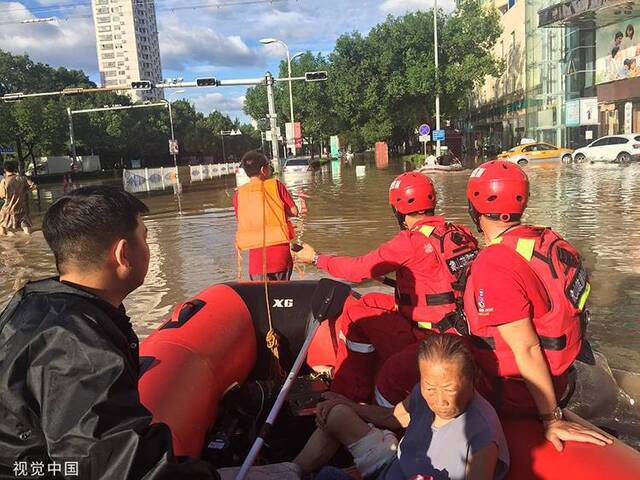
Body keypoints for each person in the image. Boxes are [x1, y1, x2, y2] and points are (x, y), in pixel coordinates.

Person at [0, 186, 218, 479]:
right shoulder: (79, 346)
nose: (148, 248)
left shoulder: (29, 304)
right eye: (144, 237)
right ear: (124, 253)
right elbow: (112, 467)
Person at [464, 160, 613, 451]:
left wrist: (551, 418)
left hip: (512, 393)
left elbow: (527, 347)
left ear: (474, 207)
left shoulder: (492, 264)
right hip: (563, 377)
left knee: (417, 372)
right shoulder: (543, 239)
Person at [294, 172, 478, 403]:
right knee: (363, 304)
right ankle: (351, 376)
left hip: (430, 334)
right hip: (459, 327)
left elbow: (357, 270)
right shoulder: (461, 233)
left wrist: (316, 259)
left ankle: (351, 396)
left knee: (361, 328)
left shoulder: (409, 242)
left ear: (398, 209)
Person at [292, 334, 510, 480]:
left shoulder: (481, 432)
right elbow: (392, 417)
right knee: (336, 417)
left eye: (450, 389)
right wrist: (346, 403)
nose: (439, 400)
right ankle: (291, 470)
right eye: (430, 388)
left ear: (472, 379)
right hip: (391, 466)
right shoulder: (421, 393)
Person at [234, 150, 298, 281]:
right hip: (280, 257)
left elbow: (242, 220)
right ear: (263, 170)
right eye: (269, 165)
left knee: (262, 300)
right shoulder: (276, 185)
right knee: (281, 298)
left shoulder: (238, 195)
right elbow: (294, 211)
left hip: (257, 263)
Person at [0, 160, 36, 235]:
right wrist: (26, 191)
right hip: (22, 208)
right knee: (25, 227)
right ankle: (28, 238)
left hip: (9, 209)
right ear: (14, 169)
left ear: (5, 169)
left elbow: (2, 196)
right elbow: (33, 186)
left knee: (2, 225)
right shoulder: (23, 179)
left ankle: (9, 238)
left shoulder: (4, 181)